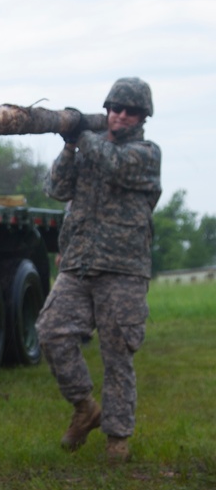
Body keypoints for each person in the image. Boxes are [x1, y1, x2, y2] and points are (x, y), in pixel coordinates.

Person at [35, 77, 161, 463]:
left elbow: (115, 166)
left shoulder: (145, 153)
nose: (121, 116)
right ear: (107, 110)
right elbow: (56, 188)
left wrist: (81, 132)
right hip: (78, 262)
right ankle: (84, 407)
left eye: (130, 110)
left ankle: (117, 440)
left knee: (117, 355)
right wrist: (70, 145)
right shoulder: (89, 147)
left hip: (123, 269)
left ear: (142, 116)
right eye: (115, 108)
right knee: (51, 331)